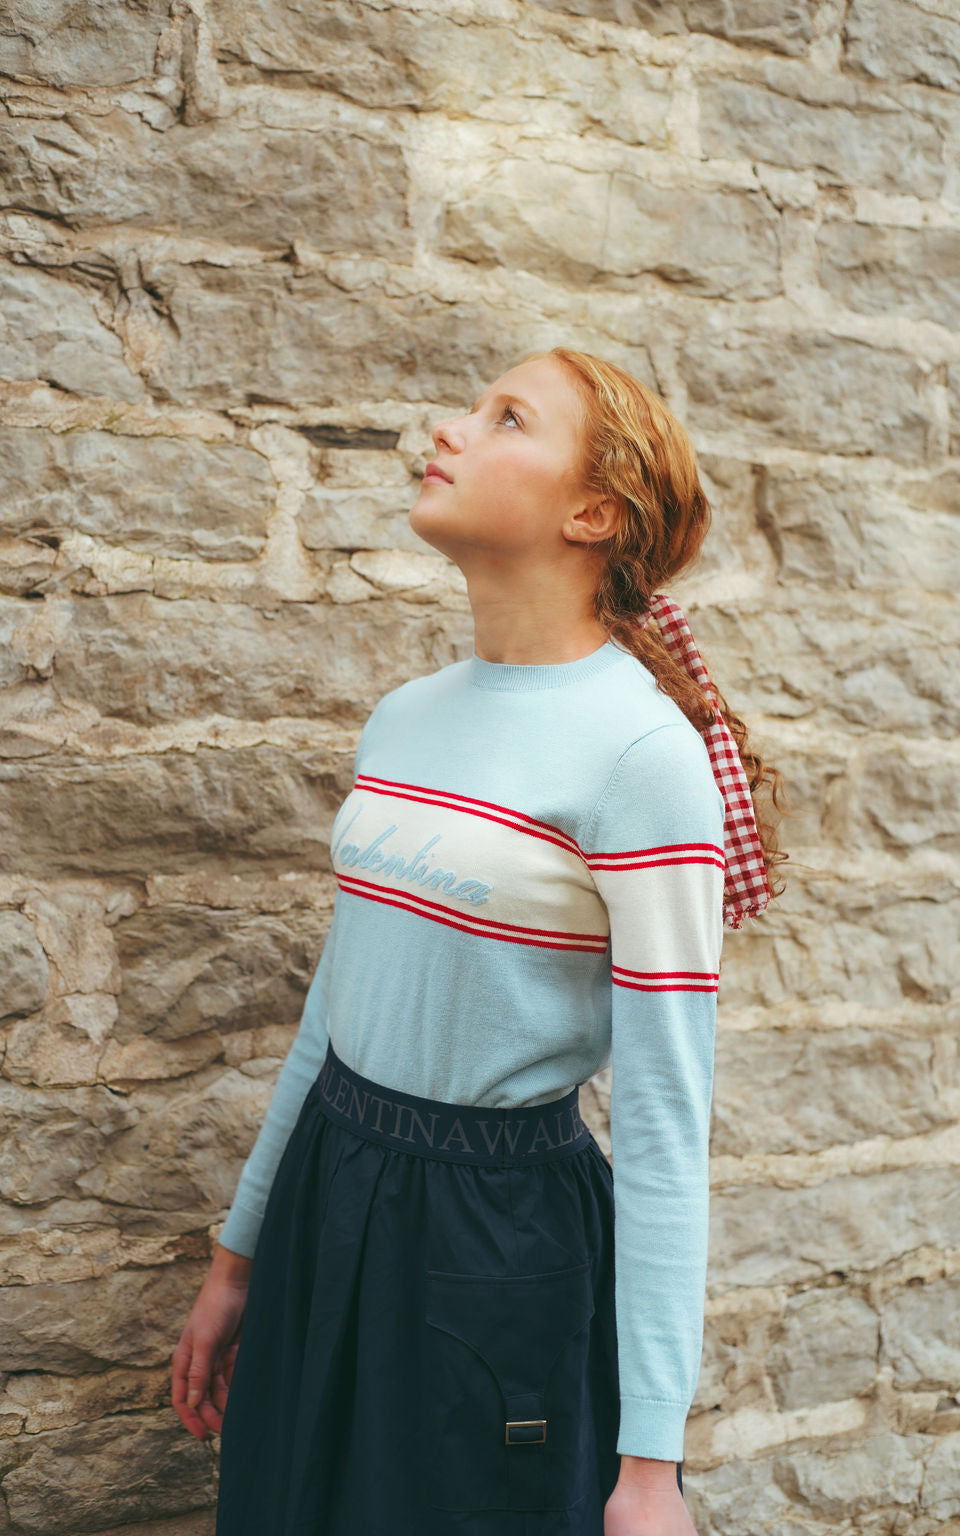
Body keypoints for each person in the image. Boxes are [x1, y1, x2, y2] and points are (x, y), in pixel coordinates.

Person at [171, 346, 788, 1536]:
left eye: (506, 418)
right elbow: (333, 1015)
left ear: (591, 512)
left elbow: (665, 1124)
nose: (447, 429)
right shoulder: (404, 718)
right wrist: (239, 1259)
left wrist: (648, 1466)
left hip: (494, 1243)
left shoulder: (642, 759)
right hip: (326, 1194)